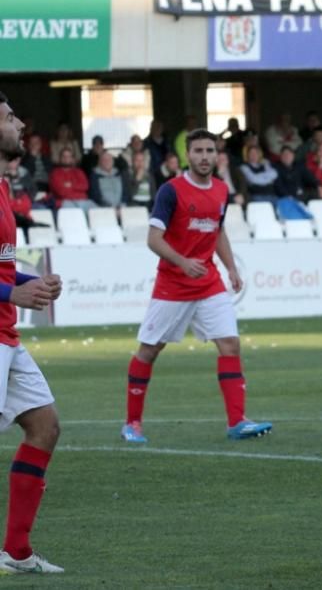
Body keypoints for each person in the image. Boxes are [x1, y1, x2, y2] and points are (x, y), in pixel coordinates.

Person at [120, 129, 272, 445]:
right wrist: (183, 262)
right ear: (188, 155)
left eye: (210, 150)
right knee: (149, 351)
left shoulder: (220, 190)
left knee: (230, 344)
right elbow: (153, 239)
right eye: (199, 151)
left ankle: (237, 422)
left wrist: (230, 267)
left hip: (209, 283)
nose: (205, 156)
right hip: (173, 285)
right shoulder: (170, 191)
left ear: (218, 155)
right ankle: (132, 423)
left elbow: (217, 232)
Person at [0, 91, 66, 574]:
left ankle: (16, 552)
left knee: (44, 427)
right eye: (8, 117)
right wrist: (11, 295)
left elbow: (2, 269)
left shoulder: (3, 187)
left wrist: (29, 283)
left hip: (7, 336)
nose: (20, 123)